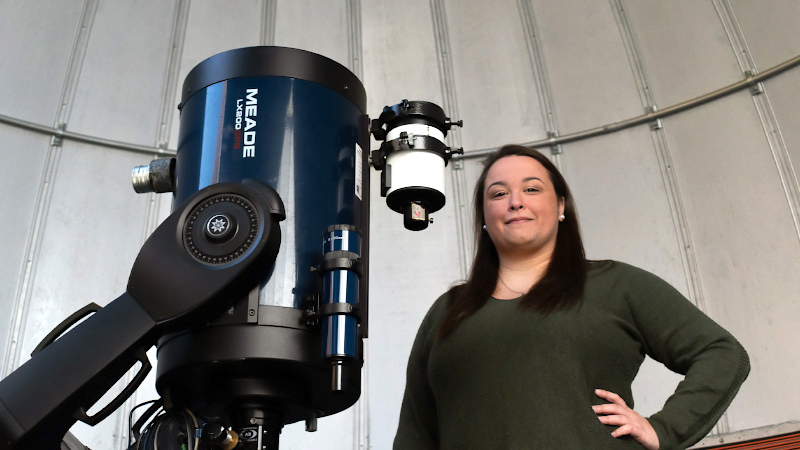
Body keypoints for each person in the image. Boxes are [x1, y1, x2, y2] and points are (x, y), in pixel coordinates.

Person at [393, 144, 750, 449]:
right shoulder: (447, 311)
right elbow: (415, 430)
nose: (515, 202)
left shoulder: (616, 285)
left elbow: (721, 353)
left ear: (561, 206)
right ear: (484, 217)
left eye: (532, 189)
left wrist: (664, 429)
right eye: (498, 193)